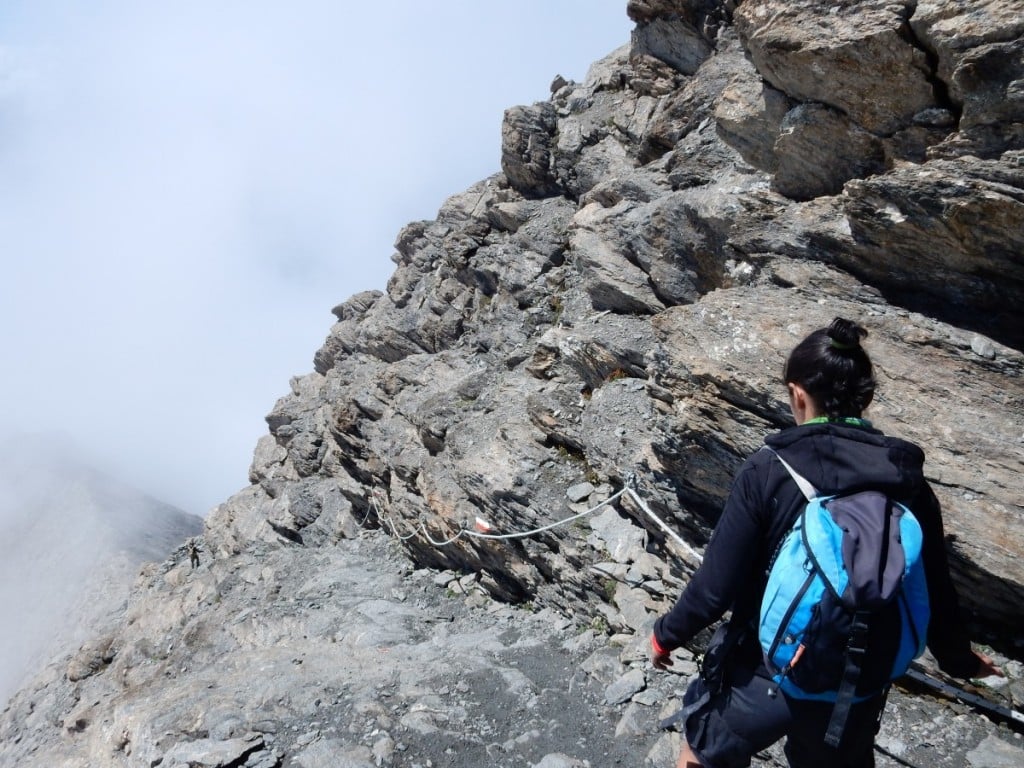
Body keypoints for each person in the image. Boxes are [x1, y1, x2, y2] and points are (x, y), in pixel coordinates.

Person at [650, 317, 1000, 768]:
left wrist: (665, 636)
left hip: (763, 668)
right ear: (867, 397)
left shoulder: (769, 469)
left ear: (798, 395)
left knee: (701, 754)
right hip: (854, 681)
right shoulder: (908, 482)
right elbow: (934, 589)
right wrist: (960, 661)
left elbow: (717, 585)